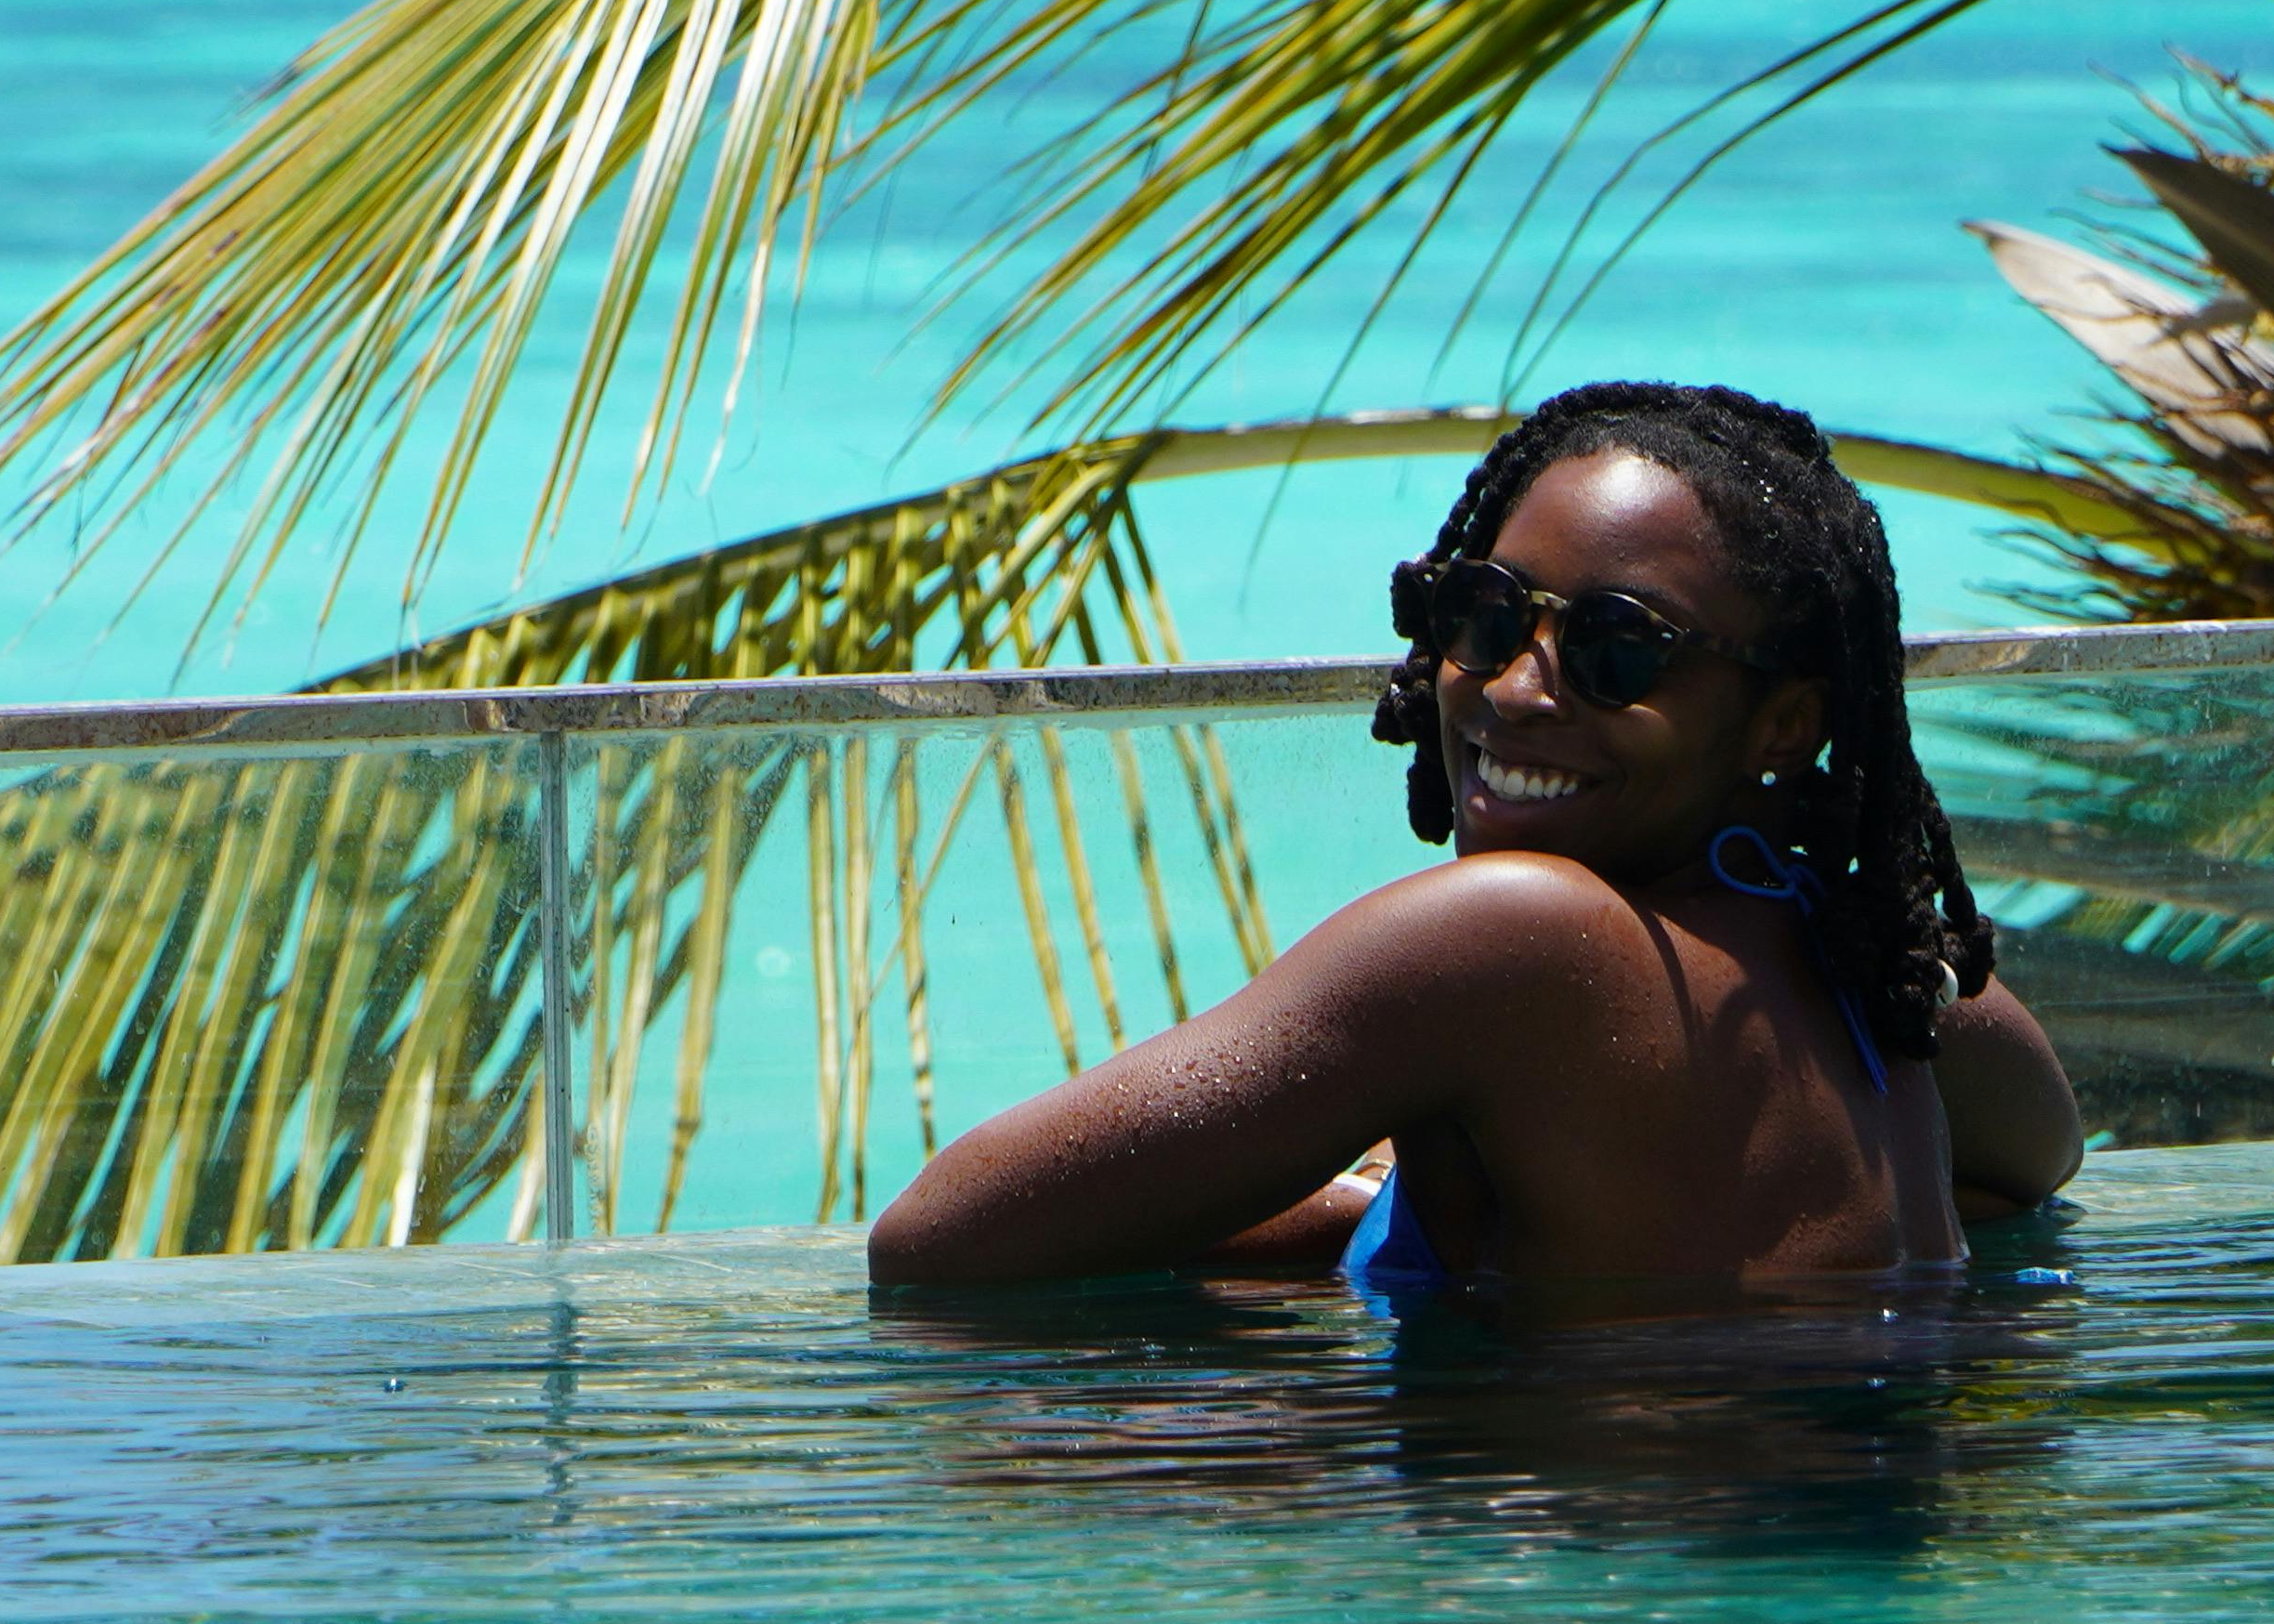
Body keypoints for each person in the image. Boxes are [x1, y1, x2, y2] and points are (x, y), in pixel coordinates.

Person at [871, 383, 2084, 1292]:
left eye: (1619, 652)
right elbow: (2045, 1151)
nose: (1509, 690)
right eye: (1485, 616)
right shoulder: (1881, 978)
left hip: (1600, 1614)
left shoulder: (1506, 940)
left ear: (1784, 722)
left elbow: (936, 1240)